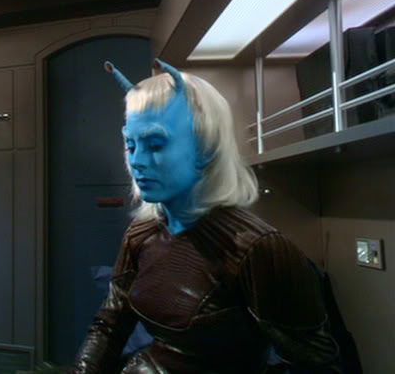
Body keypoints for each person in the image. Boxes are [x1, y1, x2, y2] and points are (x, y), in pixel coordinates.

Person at [70, 59, 341, 373]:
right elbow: (110, 324)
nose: (138, 161)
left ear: (206, 147)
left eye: (155, 145)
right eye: (131, 146)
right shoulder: (140, 233)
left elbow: (317, 366)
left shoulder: (258, 249)